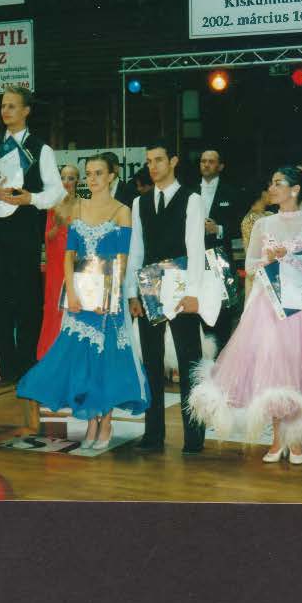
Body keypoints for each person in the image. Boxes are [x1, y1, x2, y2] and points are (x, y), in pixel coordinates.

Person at [189, 166, 302, 465]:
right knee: (274, 369)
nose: (271, 188)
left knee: (297, 368)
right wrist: (267, 259)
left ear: (295, 189)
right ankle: (277, 438)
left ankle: (296, 439)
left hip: (301, 307)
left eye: (278, 183)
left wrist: (289, 259)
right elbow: (249, 265)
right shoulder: (263, 224)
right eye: (271, 183)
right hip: (269, 305)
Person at [18, 155, 148, 450]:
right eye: (89, 173)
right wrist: (72, 293)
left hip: (107, 299)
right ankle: (91, 419)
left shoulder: (122, 211)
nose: (92, 179)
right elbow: (69, 255)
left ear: (112, 176)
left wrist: (109, 296)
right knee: (82, 359)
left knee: (106, 360)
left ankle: (106, 421)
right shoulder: (77, 208)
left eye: (99, 173)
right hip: (79, 294)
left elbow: (122, 260)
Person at [125, 141, 208, 455]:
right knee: (151, 362)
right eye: (149, 161)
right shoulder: (140, 202)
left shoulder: (192, 199)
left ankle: (194, 437)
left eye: (159, 160)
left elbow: (196, 248)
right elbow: (136, 249)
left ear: (173, 161)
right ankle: (153, 434)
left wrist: (193, 293)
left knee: (189, 360)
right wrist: (132, 293)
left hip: (181, 285)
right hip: (149, 286)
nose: (153, 166)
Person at [0, 83, 66, 379]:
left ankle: (26, 368)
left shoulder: (41, 149)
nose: (5, 111)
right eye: (3, 106)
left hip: (25, 232)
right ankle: (3, 367)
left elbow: (56, 192)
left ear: (26, 111)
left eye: (11, 106)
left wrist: (30, 198)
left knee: (27, 301)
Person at [197, 147, 245, 349]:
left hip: (221, 258)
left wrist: (219, 229)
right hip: (196, 259)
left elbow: (240, 225)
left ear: (220, 166)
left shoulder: (232, 193)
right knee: (198, 307)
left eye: (211, 161)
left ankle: (222, 355)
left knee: (222, 308)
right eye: (203, 161)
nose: (206, 165)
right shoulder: (189, 192)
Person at [37, 162, 81, 358]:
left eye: (70, 178)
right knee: (55, 304)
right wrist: (58, 225)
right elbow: (47, 236)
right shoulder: (53, 206)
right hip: (56, 262)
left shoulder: (83, 204)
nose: (66, 182)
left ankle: (72, 353)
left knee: (75, 303)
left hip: (77, 261)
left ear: (77, 181)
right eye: (62, 178)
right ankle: (51, 352)